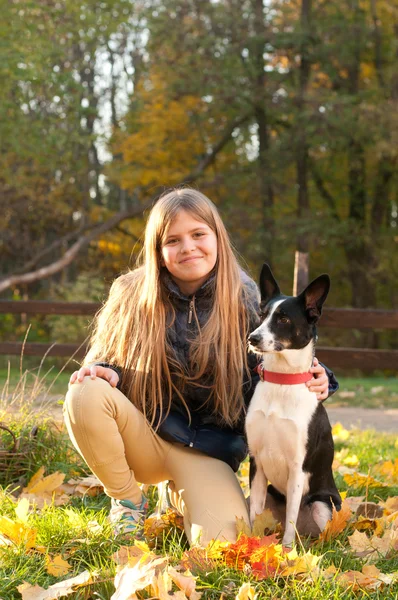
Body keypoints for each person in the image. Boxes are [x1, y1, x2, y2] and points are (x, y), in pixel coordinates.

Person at [64, 188, 338, 545]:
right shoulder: (130, 292)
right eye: (173, 240)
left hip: (208, 453)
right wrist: (104, 368)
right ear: (159, 252)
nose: (188, 247)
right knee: (84, 393)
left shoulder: (245, 297)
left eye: (198, 235)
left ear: (217, 238)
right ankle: (128, 500)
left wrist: (320, 376)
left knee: (222, 544)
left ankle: (180, 492)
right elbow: (102, 356)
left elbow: (277, 355)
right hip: (147, 434)